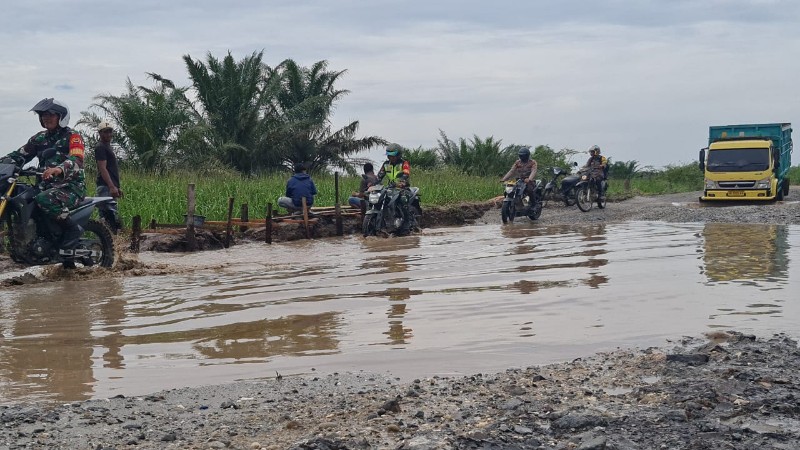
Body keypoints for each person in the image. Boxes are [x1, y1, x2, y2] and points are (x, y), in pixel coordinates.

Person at [0, 98, 86, 253]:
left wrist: (59, 169)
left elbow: (77, 160)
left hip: (70, 187)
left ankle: (73, 229)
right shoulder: (39, 138)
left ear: (61, 116)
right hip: (44, 186)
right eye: (43, 115)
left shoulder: (73, 136)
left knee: (43, 199)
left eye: (50, 114)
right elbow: (19, 155)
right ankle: (33, 239)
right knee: (19, 194)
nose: (46, 118)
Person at [376, 143, 413, 233]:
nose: (391, 158)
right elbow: (380, 175)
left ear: (398, 155)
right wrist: (373, 182)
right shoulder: (386, 164)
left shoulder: (404, 163)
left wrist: (399, 182)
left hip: (402, 187)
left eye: (393, 156)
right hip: (390, 188)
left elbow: (406, 174)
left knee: (403, 200)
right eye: (389, 156)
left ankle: (407, 224)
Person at [94, 120, 123, 233]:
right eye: (105, 132)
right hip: (105, 187)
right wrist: (111, 187)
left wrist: (116, 186)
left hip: (109, 186)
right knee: (108, 216)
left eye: (110, 131)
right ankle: (106, 240)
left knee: (109, 216)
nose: (108, 134)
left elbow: (111, 169)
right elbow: (102, 168)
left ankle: (108, 240)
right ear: (100, 133)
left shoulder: (107, 147)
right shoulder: (101, 147)